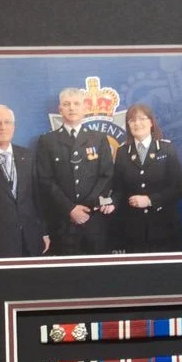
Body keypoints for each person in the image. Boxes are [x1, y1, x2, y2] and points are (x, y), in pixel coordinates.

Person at [35, 87, 114, 256]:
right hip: (63, 223)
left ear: (84, 108)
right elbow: (46, 180)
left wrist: (85, 208)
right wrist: (70, 209)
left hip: (94, 220)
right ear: (60, 109)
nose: (72, 108)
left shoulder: (99, 138)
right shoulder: (47, 141)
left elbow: (106, 175)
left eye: (76, 103)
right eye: (67, 104)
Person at [0, 103, 49, 258]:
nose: (2, 127)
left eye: (7, 122)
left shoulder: (28, 156)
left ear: (13, 127)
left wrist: (44, 232)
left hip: (31, 239)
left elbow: (37, 198)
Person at [111, 103, 182, 254]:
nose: (137, 123)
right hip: (133, 229)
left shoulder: (166, 148)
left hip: (165, 226)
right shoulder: (122, 152)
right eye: (132, 120)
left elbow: (179, 187)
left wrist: (151, 200)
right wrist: (111, 204)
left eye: (142, 119)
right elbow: (118, 189)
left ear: (151, 122)